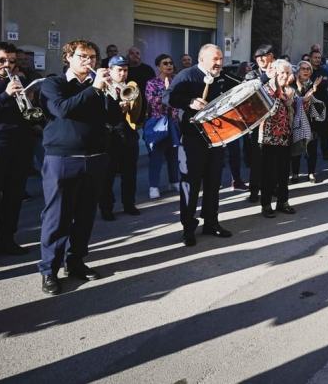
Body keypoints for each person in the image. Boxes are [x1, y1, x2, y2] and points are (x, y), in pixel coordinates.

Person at [37, 40, 119, 295]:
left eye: (93, 57)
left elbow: (114, 120)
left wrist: (113, 95)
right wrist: (94, 90)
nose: (89, 61)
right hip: (62, 158)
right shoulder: (53, 84)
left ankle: (76, 262)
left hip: (94, 157)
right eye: (83, 56)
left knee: (85, 215)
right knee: (57, 216)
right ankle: (49, 269)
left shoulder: (98, 87)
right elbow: (61, 110)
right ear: (68, 58)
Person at [164, 44, 234, 247]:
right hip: (192, 139)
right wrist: (190, 102)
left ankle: (211, 223)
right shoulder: (187, 75)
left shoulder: (222, 76)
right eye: (215, 59)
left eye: (221, 59)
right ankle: (188, 228)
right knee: (190, 186)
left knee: (213, 183)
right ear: (202, 59)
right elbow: (167, 97)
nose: (219, 63)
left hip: (216, 138)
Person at [0, 42, 33, 265]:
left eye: (11, 61)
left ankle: (6, 240)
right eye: (2, 60)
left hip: (18, 143)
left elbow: (28, 112)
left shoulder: (18, 80)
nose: (7, 65)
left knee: (13, 195)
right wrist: (6, 95)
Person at [99, 56, 143, 220]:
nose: (123, 73)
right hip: (109, 137)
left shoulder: (131, 87)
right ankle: (106, 208)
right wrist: (118, 109)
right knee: (107, 175)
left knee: (129, 173)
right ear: (110, 70)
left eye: (125, 70)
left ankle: (129, 204)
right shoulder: (102, 88)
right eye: (119, 70)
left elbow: (139, 110)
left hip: (128, 136)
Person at [257, 59, 297, 218]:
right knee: (268, 173)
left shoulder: (290, 90)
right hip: (268, 137)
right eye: (281, 72)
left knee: (283, 172)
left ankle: (283, 202)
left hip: (285, 136)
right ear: (274, 72)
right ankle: (266, 205)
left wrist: (289, 101)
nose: (284, 75)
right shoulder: (266, 89)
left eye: (287, 72)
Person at [144, 54, 180, 200]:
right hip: (158, 123)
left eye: (171, 63)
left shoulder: (177, 82)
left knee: (173, 155)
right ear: (158, 66)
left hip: (174, 123)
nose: (169, 65)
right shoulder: (152, 83)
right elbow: (152, 102)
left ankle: (174, 181)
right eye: (165, 63)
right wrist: (166, 93)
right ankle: (153, 186)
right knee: (156, 156)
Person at [244, 44, 273, 204]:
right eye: (258, 57)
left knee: (273, 158)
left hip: (276, 121)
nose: (261, 59)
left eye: (264, 55)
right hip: (257, 122)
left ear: (271, 56)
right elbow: (248, 90)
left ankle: (271, 187)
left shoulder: (279, 71)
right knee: (257, 158)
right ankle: (254, 190)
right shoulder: (252, 74)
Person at [290, 60, 326, 183]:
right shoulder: (291, 85)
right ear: (298, 71)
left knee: (312, 149)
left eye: (308, 69)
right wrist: (300, 87)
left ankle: (311, 173)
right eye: (303, 69)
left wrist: (315, 89)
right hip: (296, 121)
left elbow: (320, 102)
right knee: (297, 147)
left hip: (311, 122)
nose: (305, 71)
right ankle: (295, 173)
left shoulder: (315, 84)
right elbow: (295, 101)